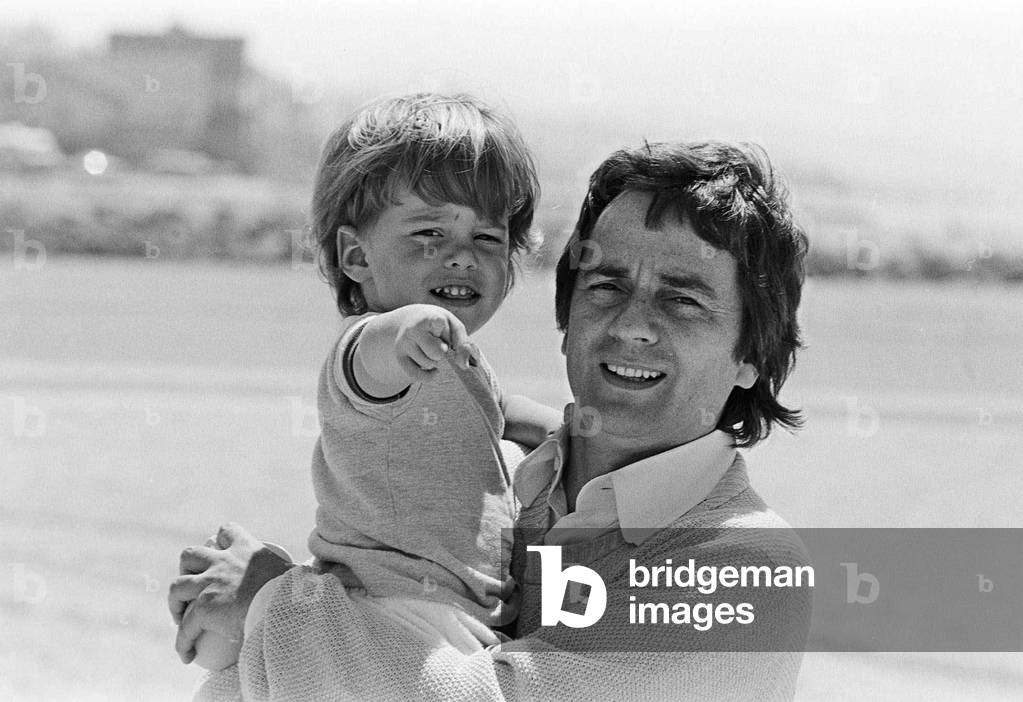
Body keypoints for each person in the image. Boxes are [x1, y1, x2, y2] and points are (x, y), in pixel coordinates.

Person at [170, 139, 813, 701]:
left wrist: (271, 604)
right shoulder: (499, 487)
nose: (632, 326)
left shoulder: (746, 567)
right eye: (606, 287)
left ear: (753, 355)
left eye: (682, 300)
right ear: (567, 319)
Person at [177, 92, 562, 671]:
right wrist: (407, 326)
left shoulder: (456, 365)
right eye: (429, 233)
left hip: (454, 614)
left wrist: (571, 434)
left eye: (487, 239)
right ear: (356, 256)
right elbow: (371, 360)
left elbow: (502, 411)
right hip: (388, 606)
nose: (462, 256)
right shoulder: (370, 354)